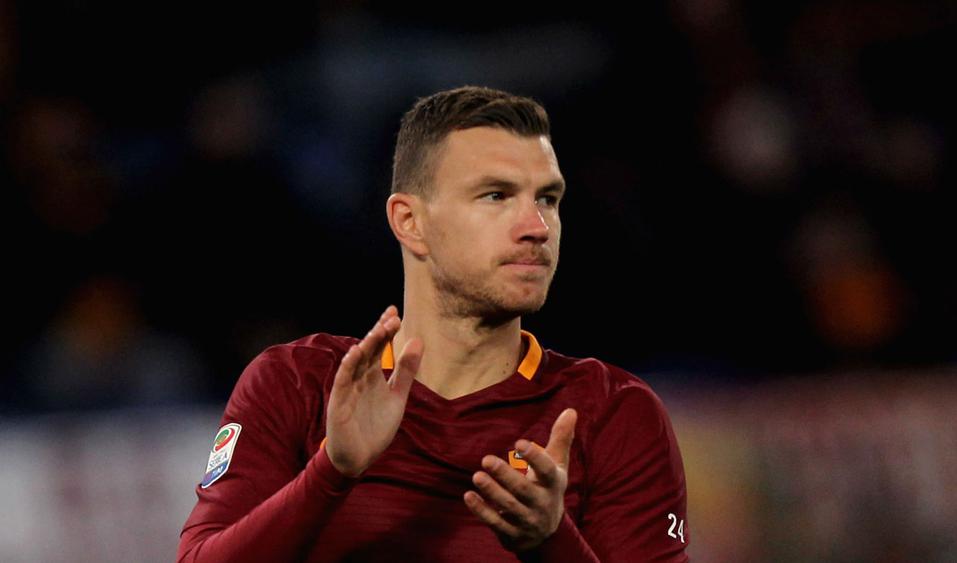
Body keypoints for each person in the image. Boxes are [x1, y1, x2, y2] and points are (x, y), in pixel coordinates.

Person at [177, 85, 689, 562]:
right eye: (496, 195)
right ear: (410, 222)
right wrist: (332, 472)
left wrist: (551, 542)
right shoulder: (299, 383)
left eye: (547, 199)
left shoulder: (613, 413)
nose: (537, 227)